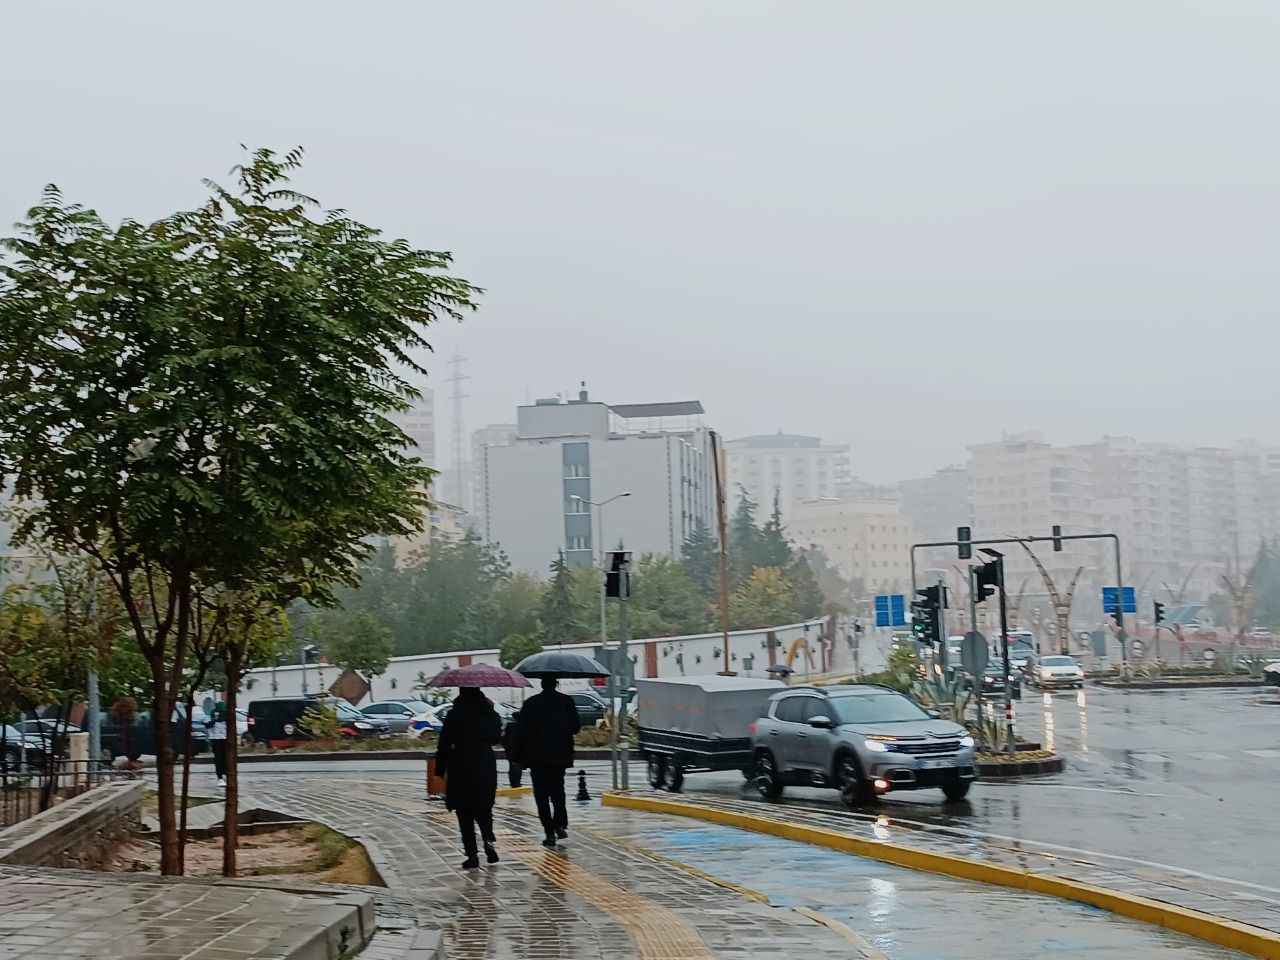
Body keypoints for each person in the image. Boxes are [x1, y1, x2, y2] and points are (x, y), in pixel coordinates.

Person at [436, 687, 502, 869]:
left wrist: (440, 770)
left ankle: (472, 855)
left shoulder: (454, 713)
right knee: (484, 807)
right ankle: (488, 839)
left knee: (464, 812)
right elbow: (496, 738)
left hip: (460, 765)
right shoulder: (489, 712)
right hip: (484, 763)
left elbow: (444, 743)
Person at [515, 677, 580, 847]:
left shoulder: (531, 703)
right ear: (556, 684)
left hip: (537, 757)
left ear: (542, 685)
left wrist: (519, 757)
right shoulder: (566, 701)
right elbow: (576, 727)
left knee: (541, 796)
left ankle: (549, 831)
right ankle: (559, 824)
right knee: (558, 791)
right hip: (560, 755)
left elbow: (521, 731)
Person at [204, 702, 228, 789]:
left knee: (226, 758)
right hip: (215, 740)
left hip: (225, 740)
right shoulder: (211, 715)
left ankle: (225, 774)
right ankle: (220, 777)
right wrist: (214, 720)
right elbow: (207, 725)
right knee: (218, 758)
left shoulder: (227, 717)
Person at [502, 710, 524, 788]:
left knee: (512, 767)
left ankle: (513, 783)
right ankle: (517, 784)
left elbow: (503, 739)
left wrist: (506, 748)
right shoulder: (522, 727)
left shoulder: (509, 726)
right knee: (518, 768)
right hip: (518, 751)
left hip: (509, 750)